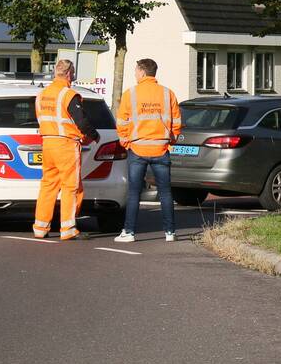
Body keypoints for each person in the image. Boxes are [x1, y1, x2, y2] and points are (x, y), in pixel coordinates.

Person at [114, 58, 182, 242]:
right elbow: (176, 122)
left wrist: (125, 141)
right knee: (166, 192)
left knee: (134, 192)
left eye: (136, 70)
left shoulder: (131, 94)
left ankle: (129, 232)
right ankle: (170, 232)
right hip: (161, 148)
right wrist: (170, 141)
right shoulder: (168, 93)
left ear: (143, 72)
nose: (135, 73)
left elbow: (122, 121)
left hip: (137, 149)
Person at [33, 59, 100, 240]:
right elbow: (82, 121)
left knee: (48, 185)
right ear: (70, 74)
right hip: (66, 145)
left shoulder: (42, 95)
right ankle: (68, 228)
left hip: (47, 144)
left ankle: (40, 227)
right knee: (70, 187)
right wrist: (94, 136)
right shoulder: (68, 95)